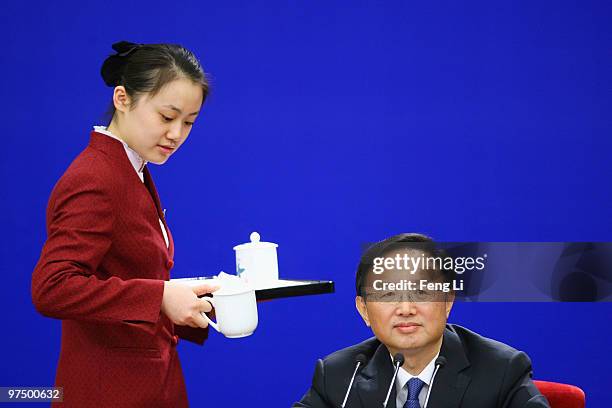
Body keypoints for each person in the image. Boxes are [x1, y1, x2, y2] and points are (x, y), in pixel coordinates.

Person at [31, 41, 218, 407]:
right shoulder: (96, 176)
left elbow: (126, 275)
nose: (177, 134)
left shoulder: (130, 168)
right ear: (122, 98)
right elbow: (52, 287)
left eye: (189, 122)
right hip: (109, 392)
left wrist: (192, 301)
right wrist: (160, 296)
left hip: (147, 383)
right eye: (167, 117)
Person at [294, 233, 550, 407]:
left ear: (448, 301)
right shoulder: (340, 375)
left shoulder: (501, 370)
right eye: (388, 294)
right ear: (363, 310)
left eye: (421, 292)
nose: (406, 308)